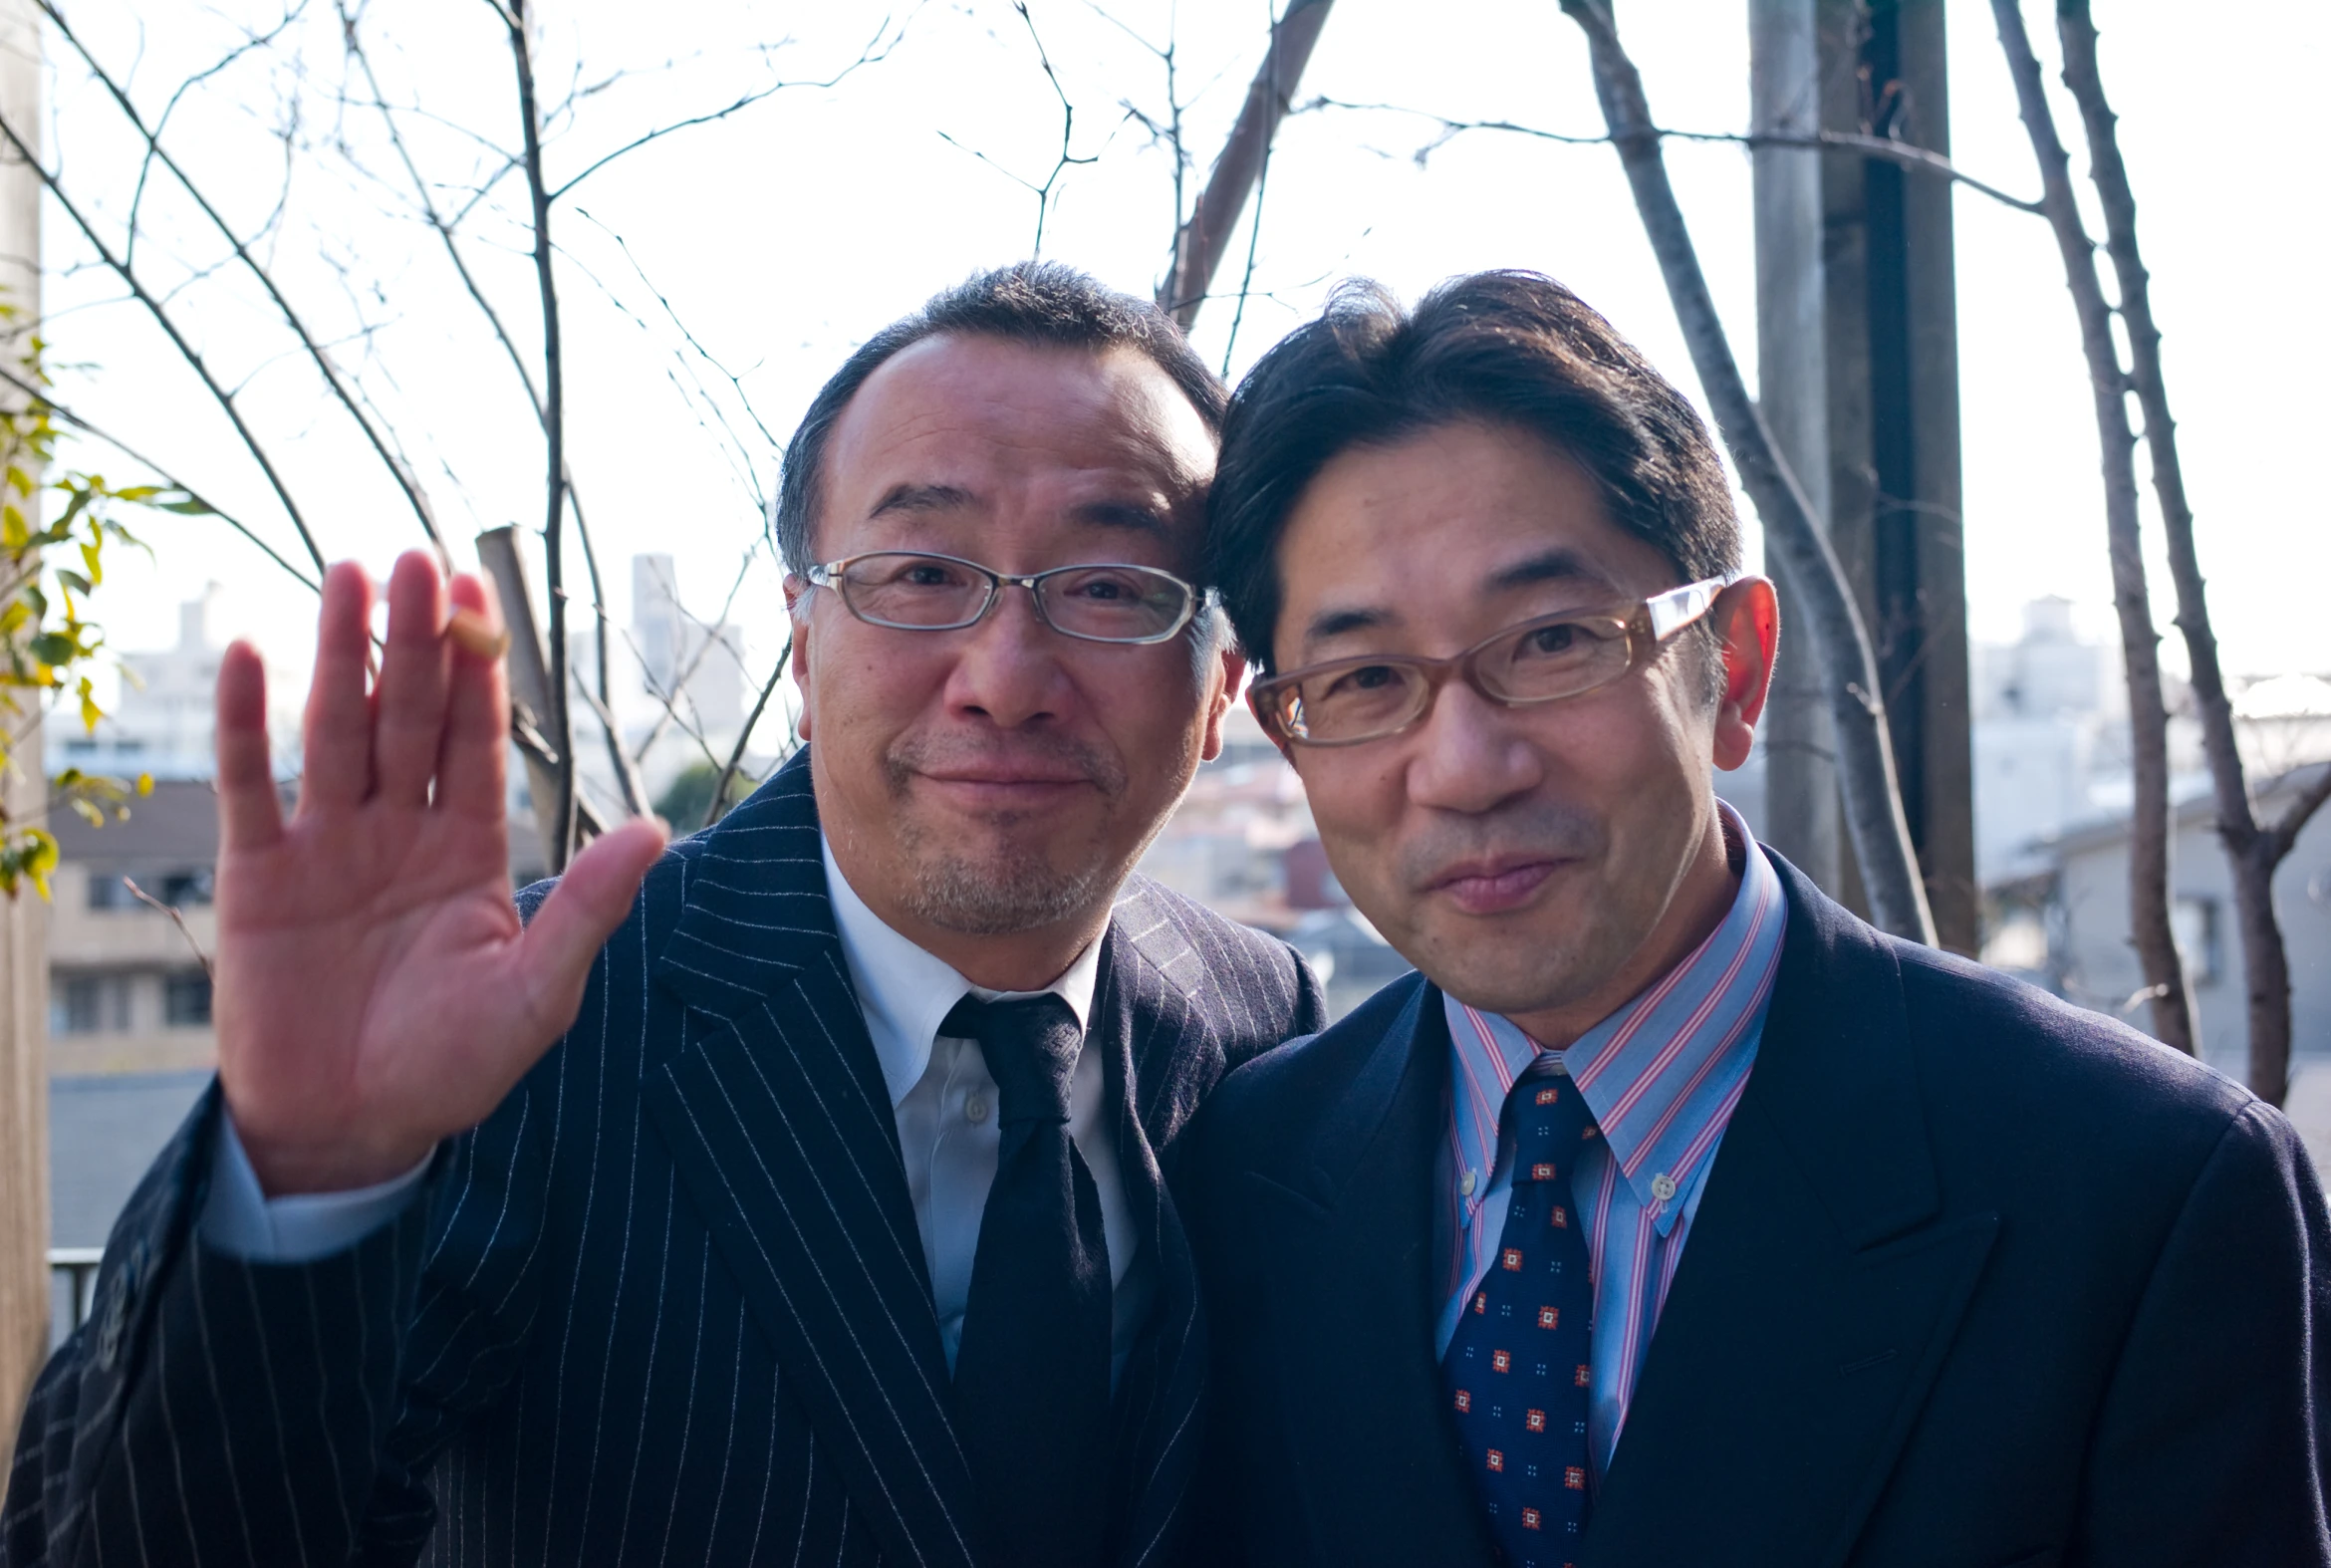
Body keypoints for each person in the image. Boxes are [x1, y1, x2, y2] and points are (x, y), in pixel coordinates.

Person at [2, 262, 1323, 1568]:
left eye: (1111, 586)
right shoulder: (519, 1028)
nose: (1007, 676)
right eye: (921, 572)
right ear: (802, 650)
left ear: (1221, 691)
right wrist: (310, 1179)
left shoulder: (1262, 1027)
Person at [1185, 271, 2331, 1568]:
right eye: (1366, 678)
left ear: (1731, 665)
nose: (1461, 765)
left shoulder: (2145, 1194)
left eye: (1556, 641)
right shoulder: (1244, 1169)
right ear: (1283, 729)